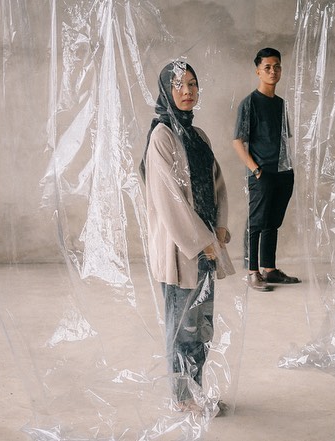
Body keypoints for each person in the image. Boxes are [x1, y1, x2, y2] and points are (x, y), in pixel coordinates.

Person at [141, 61, 234, 412]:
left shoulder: (199, 136)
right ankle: (182, 398)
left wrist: (219, 227)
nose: (187, 91)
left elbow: (217, 183)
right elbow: (168, 200)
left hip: (208, 247)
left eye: (192, 84)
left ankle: (196, 389)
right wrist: (202, 241)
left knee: (202, 326)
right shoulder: (162, 136)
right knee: (182, 327)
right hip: (182, 251)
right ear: (166, 90)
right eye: (179, 84)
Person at [232, 47, 300, 291]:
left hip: (283, 172)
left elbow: (284, 139)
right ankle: (253, 272)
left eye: (277, 66)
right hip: (262, 173)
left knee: (273, 222)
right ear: (258, 71)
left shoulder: (281, 104)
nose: (273, 71)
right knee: (256, 223)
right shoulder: (249, 103)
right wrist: (256, 170)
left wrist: (288, 170)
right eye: (267, 67)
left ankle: (269, 270)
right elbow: (237, 141)